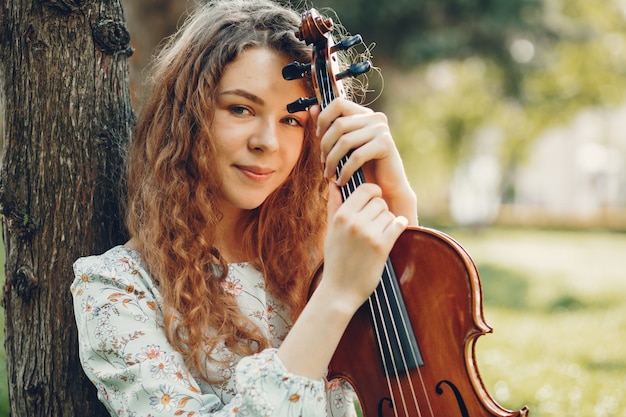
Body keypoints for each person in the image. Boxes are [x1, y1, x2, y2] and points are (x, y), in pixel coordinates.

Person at [70, 0, 418, 416]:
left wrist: (398, 200)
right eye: (241, 108)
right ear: (187, 117)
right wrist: (336, 295)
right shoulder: (118, 289)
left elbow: (412, 378)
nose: (267, 142)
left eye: (292, 120)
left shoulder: (319, 256)